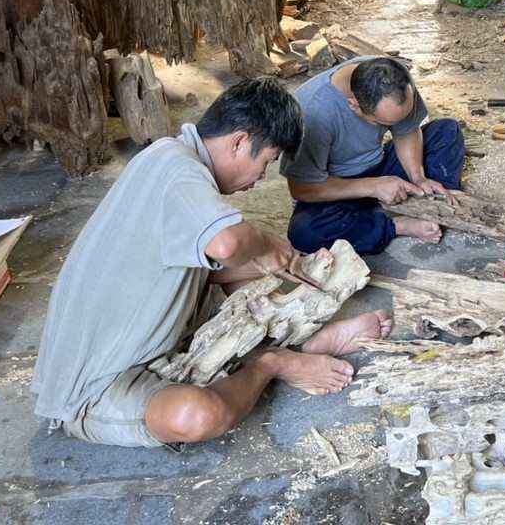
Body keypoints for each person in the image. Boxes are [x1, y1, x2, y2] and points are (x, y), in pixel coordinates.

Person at [31, 78, 391, 449]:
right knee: (198, 415)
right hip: (96, 387)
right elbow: (226, 243)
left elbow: (220, 257)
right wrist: (264, 243)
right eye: (265, 162)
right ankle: (273, 362)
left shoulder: (169, 158)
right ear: (238, 141)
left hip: (149, 332)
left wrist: (272, 260)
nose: (259, 180)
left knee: (263, 270)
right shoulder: (177, 168)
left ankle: (308, 339)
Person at [282, 56, 465, 254]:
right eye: (383, 122)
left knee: (447, 131)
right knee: (305, 233)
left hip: (379, 166)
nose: (391, 125)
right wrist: (374, 187)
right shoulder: (312, 111)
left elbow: (407, 130)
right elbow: (301, 189)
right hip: (335, 186)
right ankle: (396, 225)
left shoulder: (395, 79)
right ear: (354, 105)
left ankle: (434, 204)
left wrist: (418, 176)